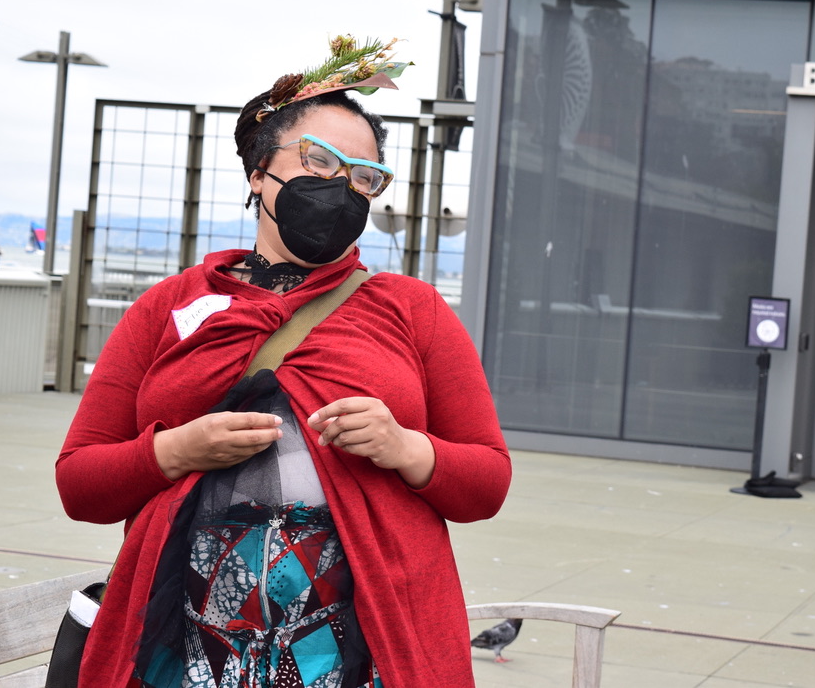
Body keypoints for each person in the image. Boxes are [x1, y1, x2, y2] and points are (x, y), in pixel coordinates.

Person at [55, 36, 511, 688]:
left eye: (362, 175)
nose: (340, 186)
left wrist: (407, 446)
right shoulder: (170, 306)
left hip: (365, 650)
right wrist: (174, 450)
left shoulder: (412, 309)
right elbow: (79, 483)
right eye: (318, 160)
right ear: (258, 172)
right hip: (190, 648)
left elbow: (487, 480)